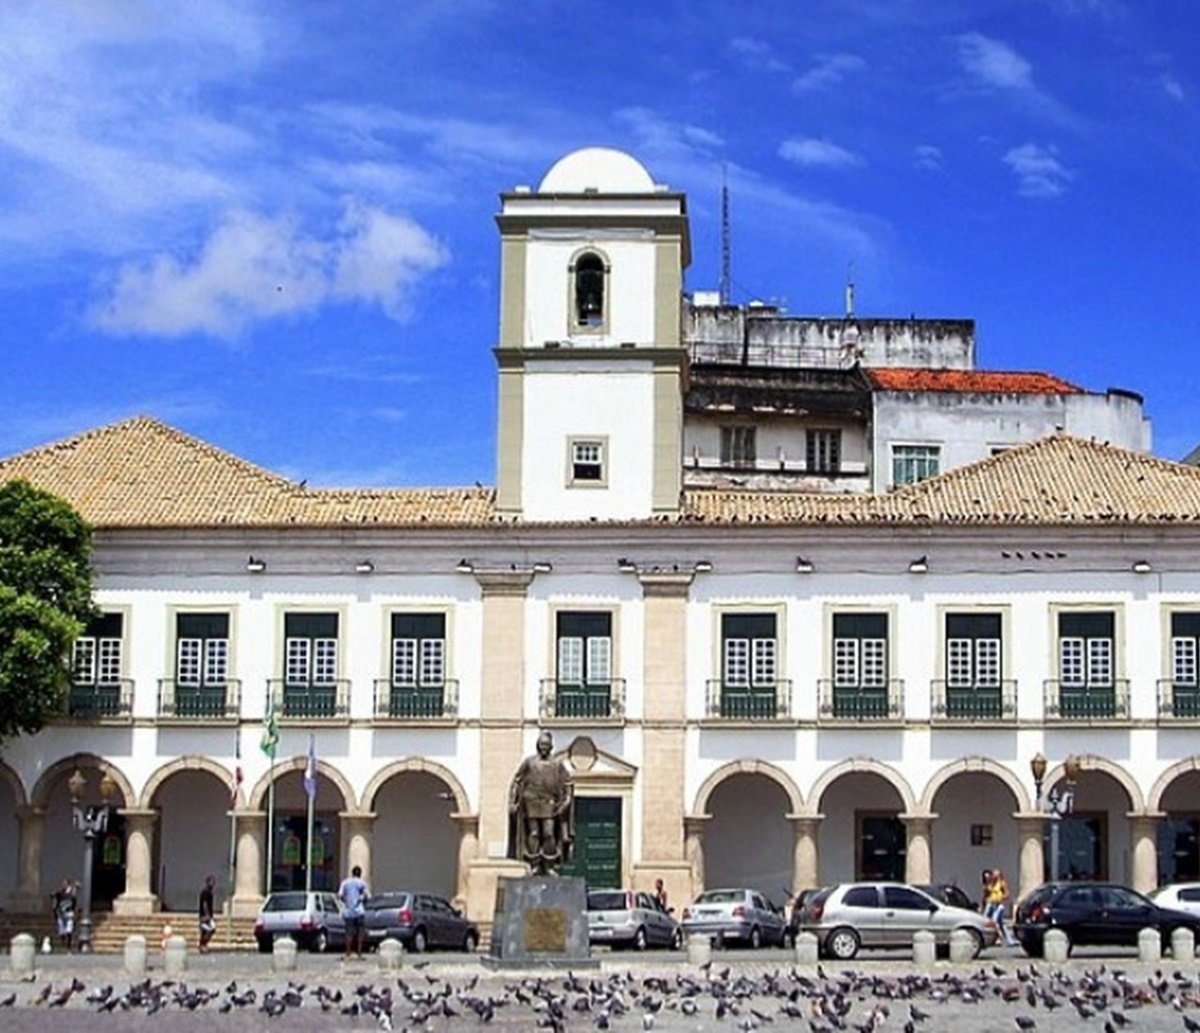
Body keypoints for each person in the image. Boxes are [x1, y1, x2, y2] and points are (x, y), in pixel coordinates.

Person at [509, 730, 574, 875]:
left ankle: (549, 864)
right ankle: (535, 864)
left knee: (549, 833)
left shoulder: (557, 764)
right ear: (537, 745)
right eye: (541, 744)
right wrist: (513, 801)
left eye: (546, 744)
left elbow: (568, 782)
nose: (544, 747)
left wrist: (567, 800)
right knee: (533, 833)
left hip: (549, 803)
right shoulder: (529, 762)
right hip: (530, 801)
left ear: (551, 746)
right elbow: (517, 781)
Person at [338, 864, 369, 959]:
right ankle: (359, 953)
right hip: (359, 911)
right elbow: (367, 896)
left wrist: (346, 901)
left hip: (348, 912)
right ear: (360, 874)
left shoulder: (345, 883)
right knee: (360, 933)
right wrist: (361, 900)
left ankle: (348, 953)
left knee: (348, 933)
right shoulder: (362, 883)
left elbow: (339, 895)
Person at [985, 868, 1016, 946]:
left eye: (996, 875)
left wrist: (1000, 897)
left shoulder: (1002, 883)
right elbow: (985, 894)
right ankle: (1009, 940)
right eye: (993, 874)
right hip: (990, 903)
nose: (994, 876)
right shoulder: (990, 883)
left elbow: (1007, 894)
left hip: (998, 905)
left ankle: (999, 937)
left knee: (994, 921)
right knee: (999, 923)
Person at [51, 878, 77, 951]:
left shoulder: (71, 893)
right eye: (63, 884)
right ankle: (63, 942)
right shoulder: (61, 893)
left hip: (69, 913)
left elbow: (74, 900)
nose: (63, 885)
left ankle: (68, 946)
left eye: (65, 884)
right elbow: (56, 896)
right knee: (61, 930)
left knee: (69, 930)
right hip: (61, 913)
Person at [197, 874, 217, 953]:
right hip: (205, 915)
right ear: (207, 882)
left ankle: (203, 945)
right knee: (209, 930)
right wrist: (207, 915)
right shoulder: (206, 892)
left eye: (213, 882)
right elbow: (205, 904)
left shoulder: (209, 892)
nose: (213, 884)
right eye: (211, 882)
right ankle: (202, 945)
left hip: (207, 915)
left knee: (206, 931)